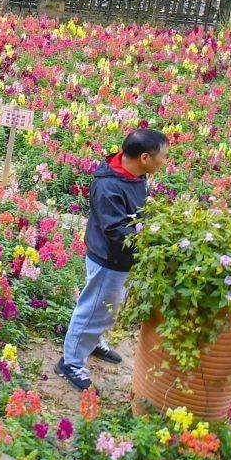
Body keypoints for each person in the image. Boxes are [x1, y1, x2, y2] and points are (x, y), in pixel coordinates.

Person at [56, 127, 169, 392]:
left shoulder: (133, 174)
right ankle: (71, 362)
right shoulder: (109, 186)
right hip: (109, 259)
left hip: (123, 258)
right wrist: (151, 241)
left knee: (108, 307)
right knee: (92, 309)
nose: (164, 161)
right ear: (144, 157)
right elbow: (117, 231)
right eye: (162, 156)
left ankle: (92, 341)